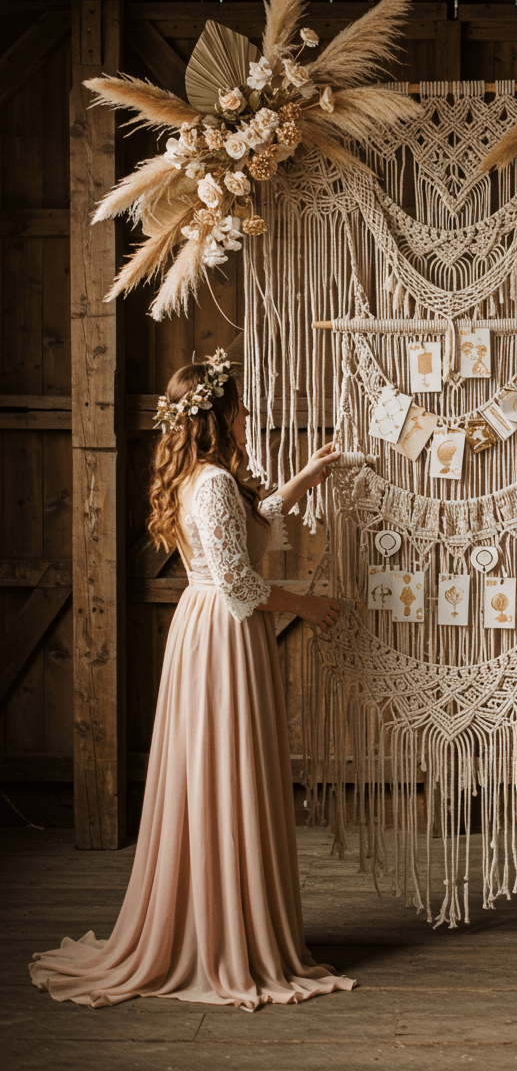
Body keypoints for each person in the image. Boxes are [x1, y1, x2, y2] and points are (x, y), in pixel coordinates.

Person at [30, 350, 355, 1009]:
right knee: (223, 772)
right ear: (216, 413)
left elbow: (252, 524)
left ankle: (226, 918)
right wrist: (307, 605)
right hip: (222, 635)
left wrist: (306, 478)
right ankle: (221, 934)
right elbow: (237, 579)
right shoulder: (208, 484)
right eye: (239, 406)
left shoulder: (208, 478)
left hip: (214, 630)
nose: (247, 416)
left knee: (220, 773)